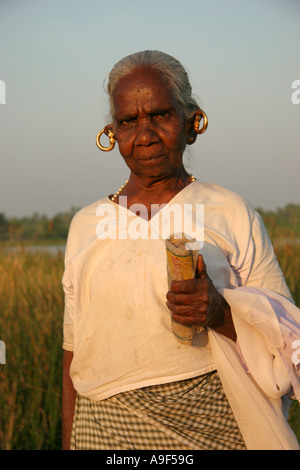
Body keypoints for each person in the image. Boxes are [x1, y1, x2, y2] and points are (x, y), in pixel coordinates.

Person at [62, 50, 300, 450]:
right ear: (112, 134)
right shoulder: (86, 225)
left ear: (192, 123)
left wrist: (221, 313)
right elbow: (73, 352)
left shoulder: (230, 212)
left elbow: (288, 342)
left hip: (214, 427)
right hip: (102, 431)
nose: (144, 134)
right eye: (128, 121)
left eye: (160, 115)